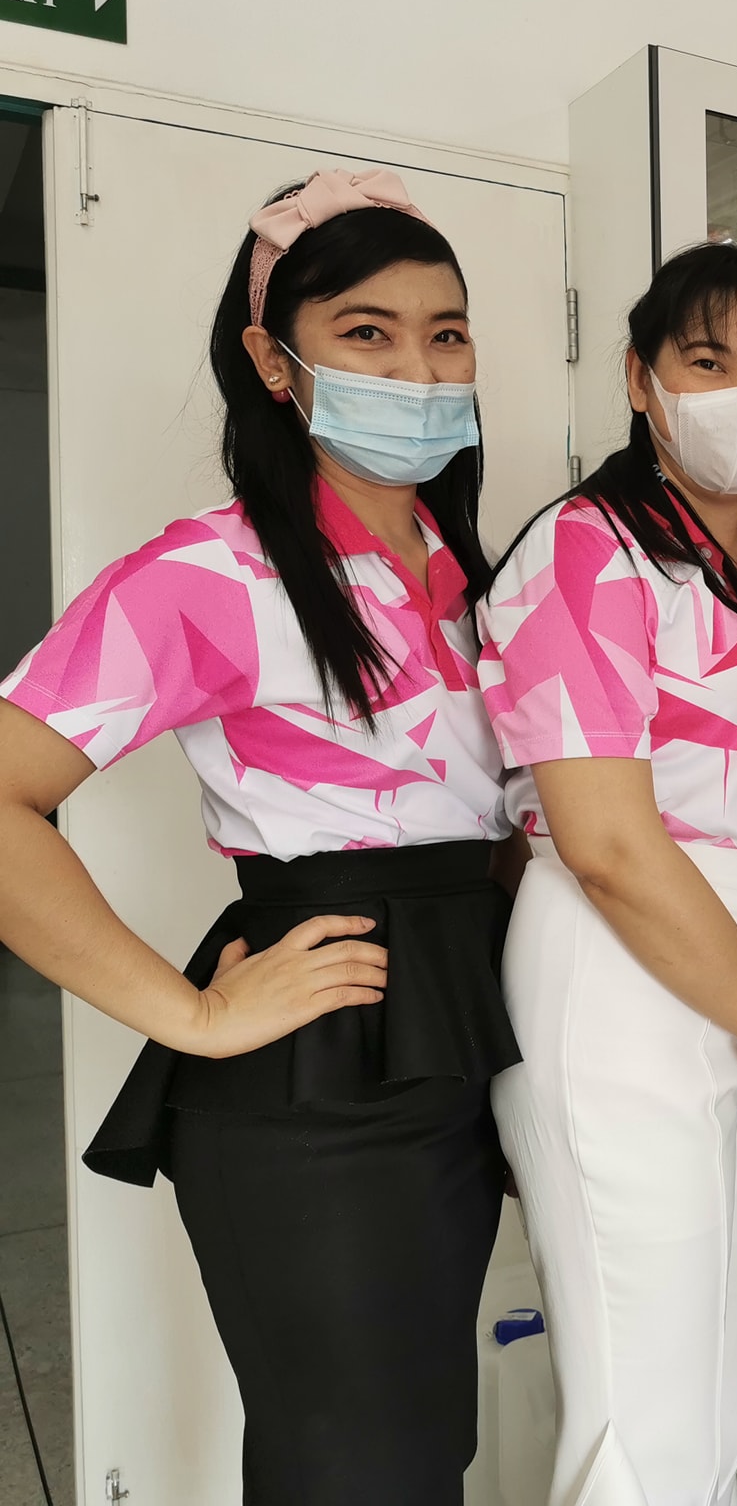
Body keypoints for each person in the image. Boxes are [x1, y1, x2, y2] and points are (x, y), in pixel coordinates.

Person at [0, 169, 522, 1503]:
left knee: (422, 1452)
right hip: (316, 1078)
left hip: (462, 1036)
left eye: (445, 333)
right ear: (274, 361)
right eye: (367, 332)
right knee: (359, 1469)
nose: (418, 369)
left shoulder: (471, 575)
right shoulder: (210, 574)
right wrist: (188, 1015)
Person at [478, 241, 737, 1506]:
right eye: (707, 361)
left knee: (713, 1375)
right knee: (642, 1404)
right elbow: (605, 844)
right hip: (624, 985)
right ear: (639, 378)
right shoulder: (584, 550)